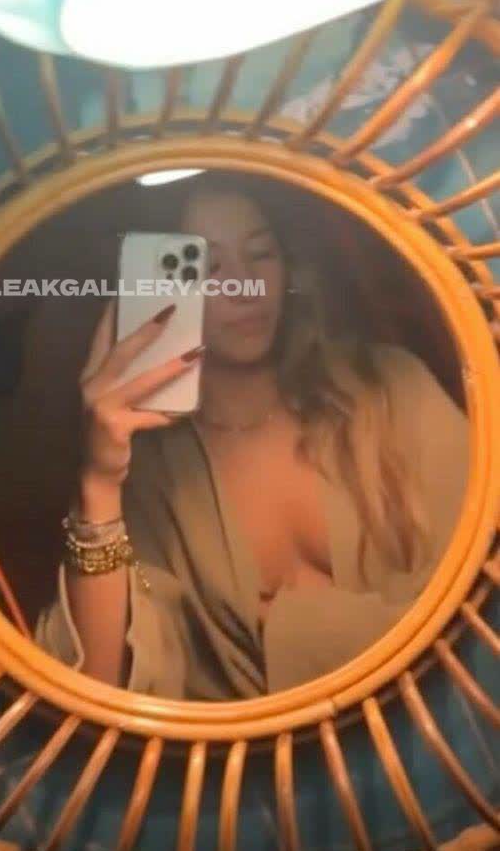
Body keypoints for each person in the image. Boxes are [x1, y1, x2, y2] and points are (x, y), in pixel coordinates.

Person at [35, 172, 469, 699]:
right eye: (209, 266)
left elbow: (484, 582)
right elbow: (101, 684)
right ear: (159, 287)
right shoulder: (152, 471)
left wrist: (292, 631)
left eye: (260, 254)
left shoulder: (388, 387)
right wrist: (99, 483)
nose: (245, 286)